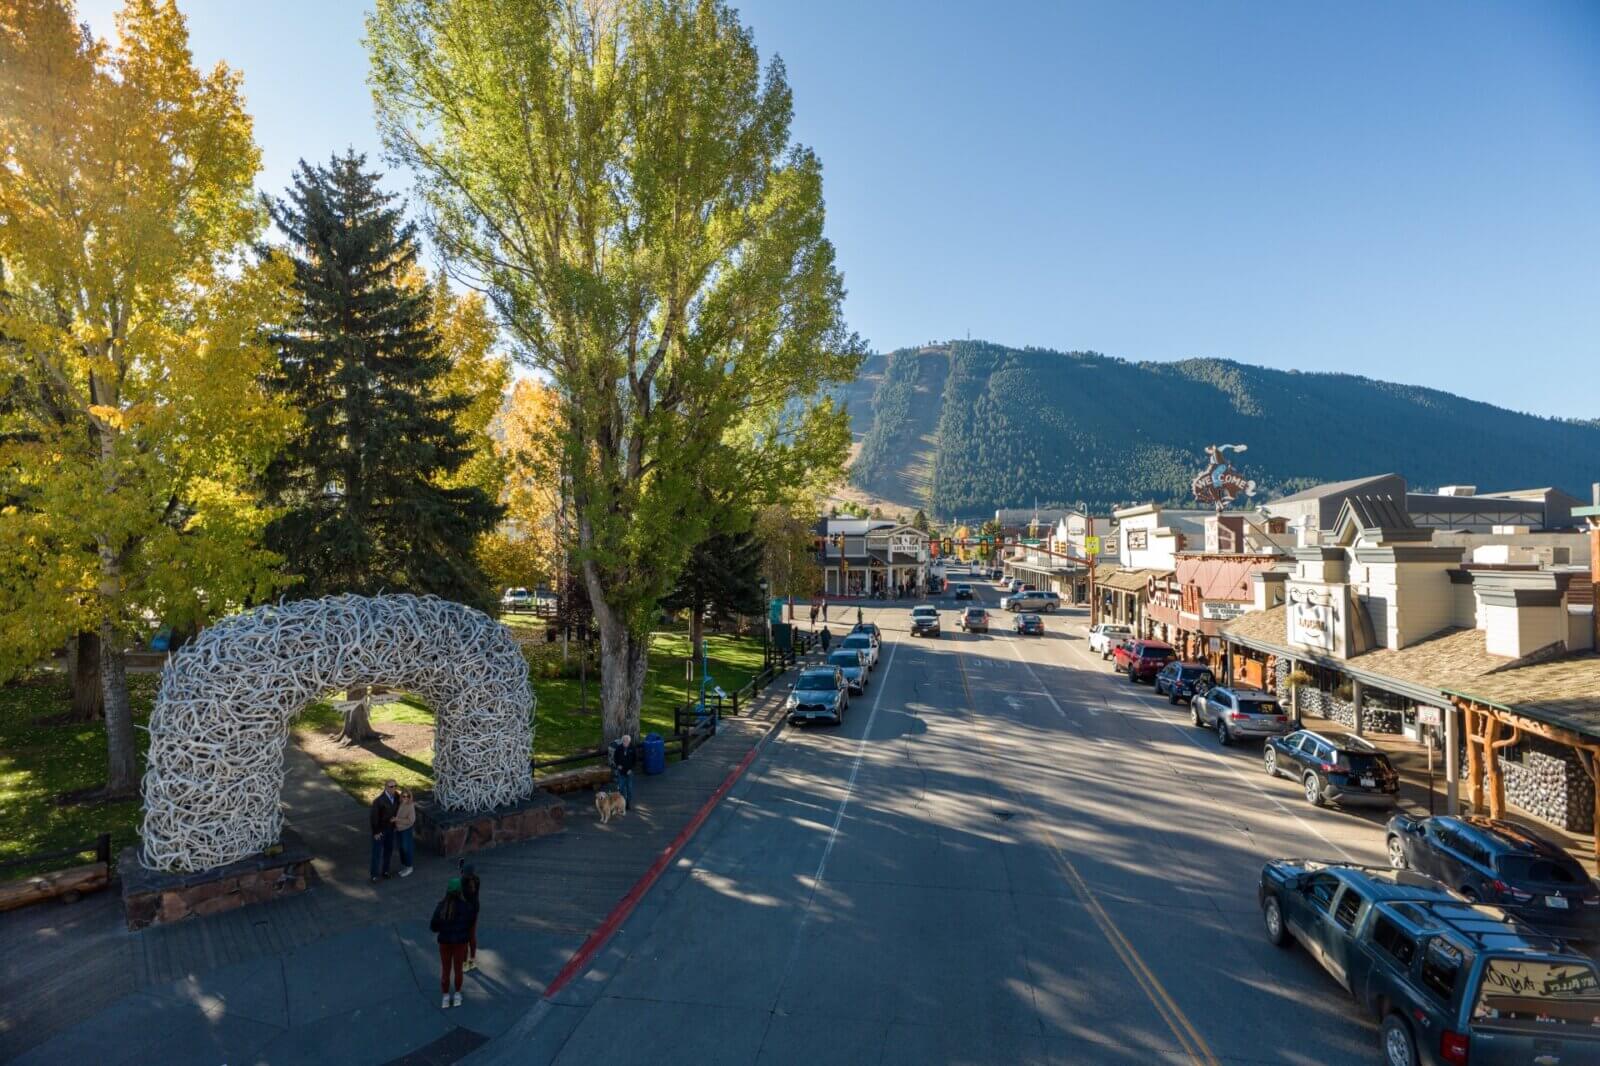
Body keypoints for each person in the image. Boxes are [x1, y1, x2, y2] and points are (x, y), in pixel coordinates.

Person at [430, 877, 477, 1008]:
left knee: (445, 970)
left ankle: (445, 997)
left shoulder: (441, 906)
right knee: (458, 970)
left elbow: (433, 926)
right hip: (460, 943)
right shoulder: (466, 907)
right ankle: (457, 994)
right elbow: (470, 923)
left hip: (444, 942)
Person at [369, 779, 399, 883]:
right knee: (377, 853)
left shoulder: (397, 797)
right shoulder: (378, 801)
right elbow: (374, 818)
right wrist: (376, 832)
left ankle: (385, 871)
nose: (393, 788)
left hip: (390, 830)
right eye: (391, 786)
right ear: (385, 787)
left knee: (388, 852)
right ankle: (374, 875)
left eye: (395, 786)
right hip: (381, 831)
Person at [460, 862, 482, 971]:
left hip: (465, 913)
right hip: (475, 910)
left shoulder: (463, 884)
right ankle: (472, 960)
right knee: (472, 936)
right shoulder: (477, 880)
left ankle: (464, 963)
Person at [608, 733, 637, 811]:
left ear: (629, 741)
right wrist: (618, 765)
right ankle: (622, 804)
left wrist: (631, 769)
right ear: (622, 741)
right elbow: (615, 758)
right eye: (624, 741)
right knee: (621, 788)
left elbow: (635, 760)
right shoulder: (619, 748)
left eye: (627, 741)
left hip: (629, 772)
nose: (625, 742)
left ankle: (628, 804)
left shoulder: (632, 748)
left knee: (629, 789)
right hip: (621, 772)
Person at [393, 787, 416, 878]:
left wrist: (397, 819)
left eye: (408, 796)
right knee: (401, 848)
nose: (405, 798)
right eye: (404, 796)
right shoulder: (400, 803)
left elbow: (411, 821)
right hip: (399, 830)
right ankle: (405, 866)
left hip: (406, 830)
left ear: (410, 797)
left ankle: (409, 867)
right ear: (401, 796)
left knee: (406, 849)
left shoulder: (410, 806)